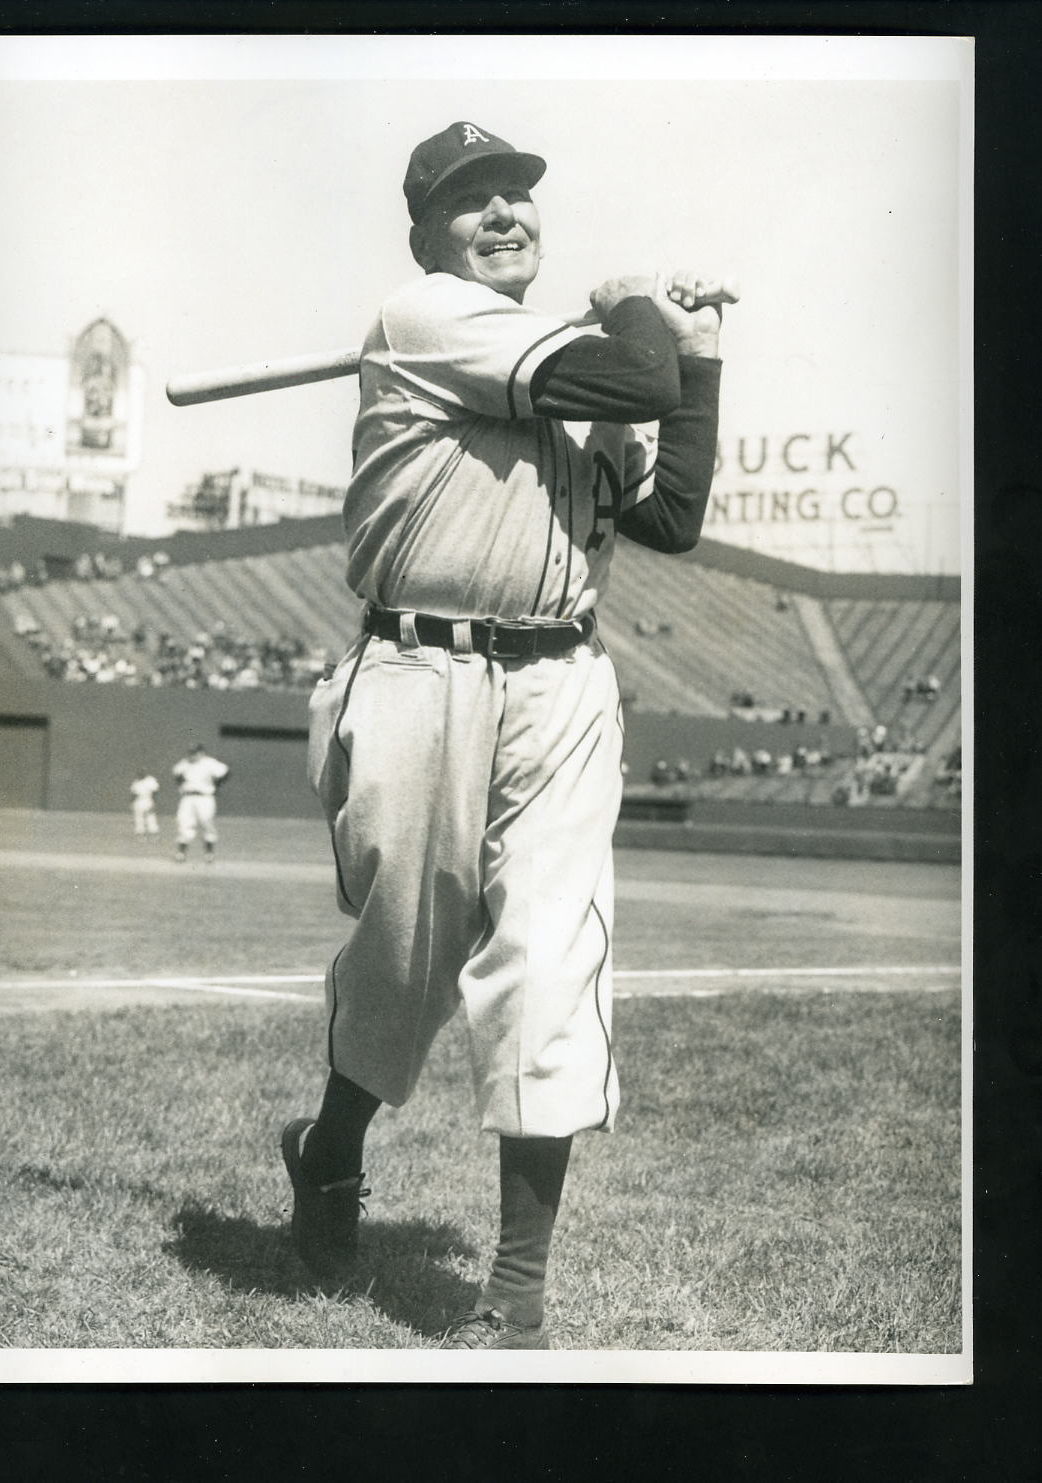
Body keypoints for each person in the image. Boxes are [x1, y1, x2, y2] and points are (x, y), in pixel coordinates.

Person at [281, 120, 724, 1350]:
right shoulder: (426, 316)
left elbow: (673, 515)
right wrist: (641, 312)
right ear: (426, 233)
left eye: (518, 193)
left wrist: (701, 355)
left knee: (543, 960)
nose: (502, 213)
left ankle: (513, 1299)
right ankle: (327, 1152)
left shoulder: (569, 362)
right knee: (403, 962)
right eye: (471, 198)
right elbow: (634, 376)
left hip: (559, 681)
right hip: (417, 665)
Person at [171, 743, 229, 863]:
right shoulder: (185, 763)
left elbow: (225, 772)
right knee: (183, 822)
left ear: (201, 753)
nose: (192, 755)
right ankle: (181, 853)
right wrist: (181, 785)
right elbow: (176, 773)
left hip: (205, 797)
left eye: (195, 753)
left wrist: (217, 785)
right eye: (190, 752)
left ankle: (209, 854)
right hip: (188, 797)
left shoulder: (209, 763)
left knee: (206, 821)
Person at [130, 770, 160, 836]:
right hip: (139, 800)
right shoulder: (136, 782)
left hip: (148, 799)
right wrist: (132, 802)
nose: (140, 776)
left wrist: (154, 802)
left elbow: (155, 792)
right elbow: (133, 793)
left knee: (150, 815)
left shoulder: (151, 780)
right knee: (138, 816)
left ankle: (153, 831)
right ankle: (140, 831)